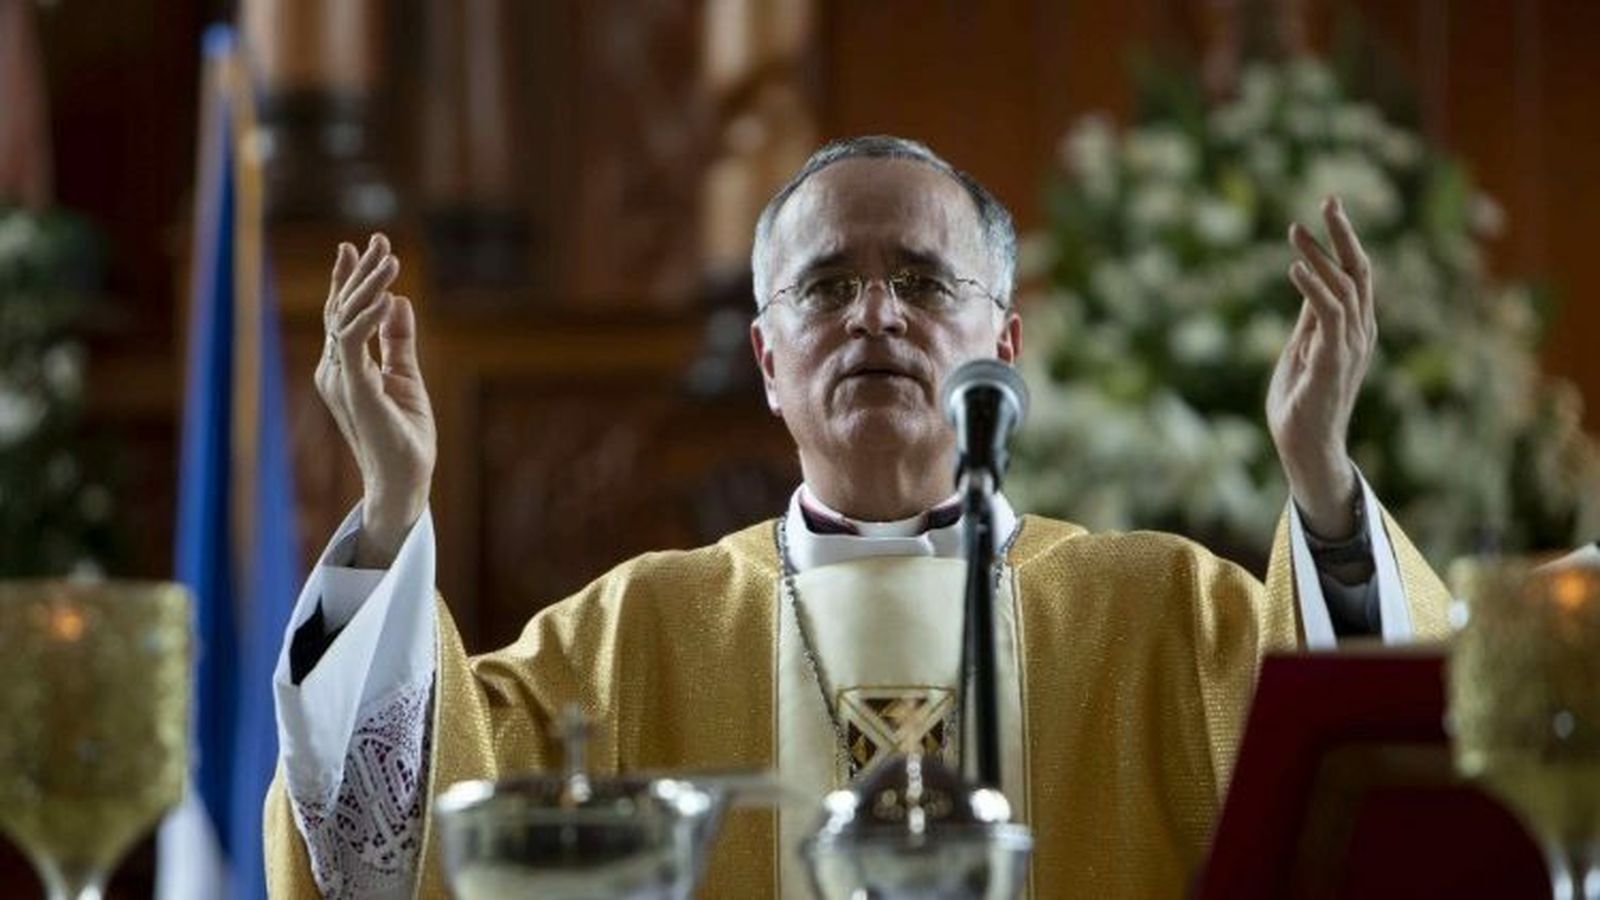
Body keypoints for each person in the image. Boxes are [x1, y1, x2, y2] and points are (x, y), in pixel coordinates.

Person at [264, 136, 1450, 899]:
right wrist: (391, 504)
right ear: (770, 362)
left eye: (924, 282)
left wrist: (1324, 492)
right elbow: (390, 852)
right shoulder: (633, 639)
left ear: (1006, 344)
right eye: (828, 286)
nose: (876, 316)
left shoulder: (1165, 616)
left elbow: (1376, 793)